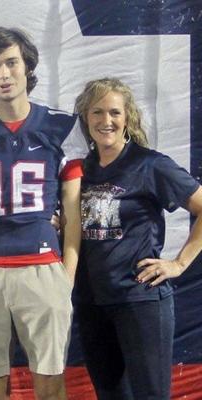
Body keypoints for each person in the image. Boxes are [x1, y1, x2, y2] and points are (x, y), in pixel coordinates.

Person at [0, 27, 88, 400]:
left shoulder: (61, 125)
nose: (3, 74)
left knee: (50, 383)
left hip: (42, 266)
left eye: (11, 63)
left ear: (27, 67)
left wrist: (66, 277)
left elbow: (73, 212)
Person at [73, 77, 202, 400]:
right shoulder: (79, 170)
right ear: (85, 118)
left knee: (150, 396)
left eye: (115, 113)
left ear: (127, 117)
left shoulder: (150, 164)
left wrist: (179, 263)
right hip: (91, 302)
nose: (106, 121)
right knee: (111, 395)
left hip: (140, 300)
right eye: (97, 112)